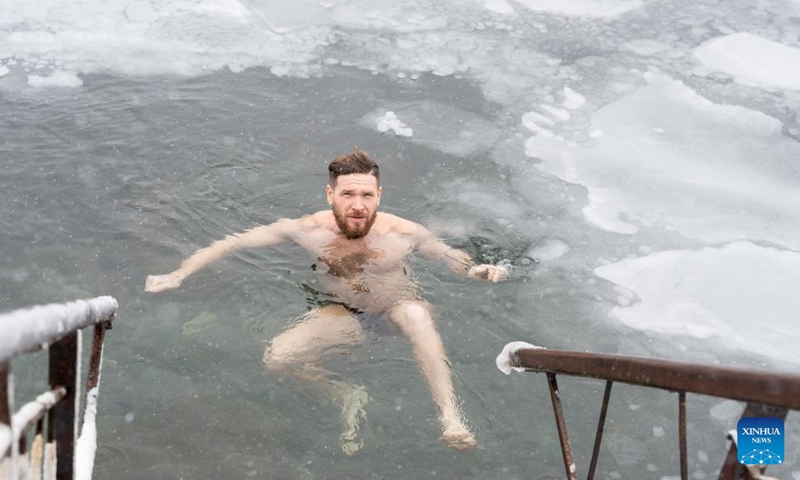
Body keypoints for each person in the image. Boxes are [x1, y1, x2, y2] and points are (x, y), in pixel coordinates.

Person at [145, 149, 507, 455]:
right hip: (347, 316)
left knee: (414, 314)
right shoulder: (307, 230)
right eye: (348, 194)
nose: (358, 205)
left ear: (379, 195)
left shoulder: (403, 231)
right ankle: (346, 393)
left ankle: (450, 418)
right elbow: (231, 242)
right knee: (278, 357)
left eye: (367, 195)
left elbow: (445, 253)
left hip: (396, 311)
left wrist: (474, 270)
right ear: (330, 195)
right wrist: (178, 274)